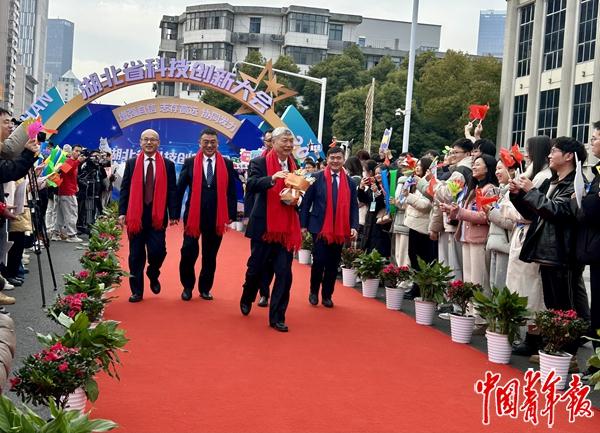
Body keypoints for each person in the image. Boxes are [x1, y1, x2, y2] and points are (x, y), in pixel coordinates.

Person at [510, 137, 590, 325]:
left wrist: (531, 191)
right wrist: (517, 195)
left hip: (563, 254)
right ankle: (556, 340)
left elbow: (558, 212)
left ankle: (573, 341)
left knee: (567, 306)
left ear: (569, 156)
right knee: (553, 305)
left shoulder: (576, 183)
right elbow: (533, 214)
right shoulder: (551, 182)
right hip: (547, 253)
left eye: (554, 151)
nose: (549, 155)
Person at [240, 127, 302, 332]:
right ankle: (248, 295)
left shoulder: (295, 165)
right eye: (284, 141)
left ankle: (277, 317)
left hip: (286, 228)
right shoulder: (259, 162)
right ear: (273, 143)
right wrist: (272, 179)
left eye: (291, 141)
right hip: (264, 226)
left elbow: (299, 191)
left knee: (284, 274)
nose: (288, 145)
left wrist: (297, 198)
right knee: (256, 269)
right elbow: (251, 185)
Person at [177, 128, 237, 301]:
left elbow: (231, 191)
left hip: (216, 217)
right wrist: (173, 212)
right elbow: (180, 189)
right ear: (200, 143)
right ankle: (187, 286)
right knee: (188, 252)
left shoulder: (226, 164)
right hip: (193, 217)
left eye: (213, 142)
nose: (209, 145)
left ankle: (205, 288)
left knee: (210, 255)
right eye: (206, 142)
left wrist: (231, 213)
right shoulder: (190, 162)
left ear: (217, 144)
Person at [119, 129, 178, 303]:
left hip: (157, 216)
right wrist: (122, 212)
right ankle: (137, 291)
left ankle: (153, 272)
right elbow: (125, 189)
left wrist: (174, 213)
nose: (149, 142)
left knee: (158, 251)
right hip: (135, 216)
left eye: (152, 140)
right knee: (136, 255)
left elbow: (172, 190)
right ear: (140, 142)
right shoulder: (131, 163)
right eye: (146, 139)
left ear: (158, 143)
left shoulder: (168, 164)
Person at [300, 147, 359, 308]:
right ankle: (314, 291)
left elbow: (354, 206)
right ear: (327, 159)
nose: (335, 161)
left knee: (333, 263)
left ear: (343, 159)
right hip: (319, 227)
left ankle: (327, 295)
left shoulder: (350, 182)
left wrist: (354, 226)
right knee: (319, 261)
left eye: (338, 158)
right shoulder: (316, 178)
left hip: (340, 229)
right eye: (332, 158)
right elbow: (307, 202)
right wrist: (303, 225)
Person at [575, 121, 600, 371]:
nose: (591, 142)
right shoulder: (597, 173)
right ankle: (596, 364)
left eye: (595, 138)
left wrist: (584, 200)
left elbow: (594, 209)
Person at [53, 144, 85, 242]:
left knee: (60, 215)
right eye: (76, 150)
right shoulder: (68, 161)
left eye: (80, 151)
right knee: (71, 213)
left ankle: (56, 233)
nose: (78, 153)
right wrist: (78, 161)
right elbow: (65, 171)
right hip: (67, 192)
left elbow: (71, 176)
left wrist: (76, 185)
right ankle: (71, 235)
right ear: (71, 151)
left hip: (66, 191)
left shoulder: (73, 162)